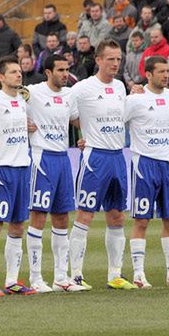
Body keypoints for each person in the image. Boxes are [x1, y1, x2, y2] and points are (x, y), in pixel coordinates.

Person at [68, 38, 134, 290]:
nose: (115, 63)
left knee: (117, 215)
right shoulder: (83, 88)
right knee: (85, 213)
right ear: (98, 60)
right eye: (110, 59)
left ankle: (114, 275)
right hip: (95, 158)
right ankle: (75, 274)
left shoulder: (119, 87)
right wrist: (86, 132)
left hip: (118, 156)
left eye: (118, 59)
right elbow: (67, 113)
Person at [124, 56, 169, 288]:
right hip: (144, 164)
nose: (165, 75)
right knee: (142, 220)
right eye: (161, 72)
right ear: (148, 74)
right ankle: (138, 274)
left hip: (168, 165)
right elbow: (115, 125)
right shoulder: (135, 100)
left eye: (167, 71)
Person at [25, 55, 86, 293]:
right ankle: (36, 277)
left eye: (67, 69)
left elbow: (77, 121)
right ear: (48, 72)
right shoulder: (33, 92)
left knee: (62, 217)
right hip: (42, 158)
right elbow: (8, 106)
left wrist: (87, 136)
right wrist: (22, 122)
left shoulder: (69, 95)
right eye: (60, 70)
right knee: (38, 217)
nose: (65, 74)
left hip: (62, 159)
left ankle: (61, 277)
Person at [0, 56, 36, 296]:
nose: (18, 74)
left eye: (19, 70)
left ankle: (12, 280)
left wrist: (28, 126)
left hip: (23, 166)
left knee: (17, 225)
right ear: (1, 77)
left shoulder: (22, 100)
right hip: (1, 168)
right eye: (13, 72)